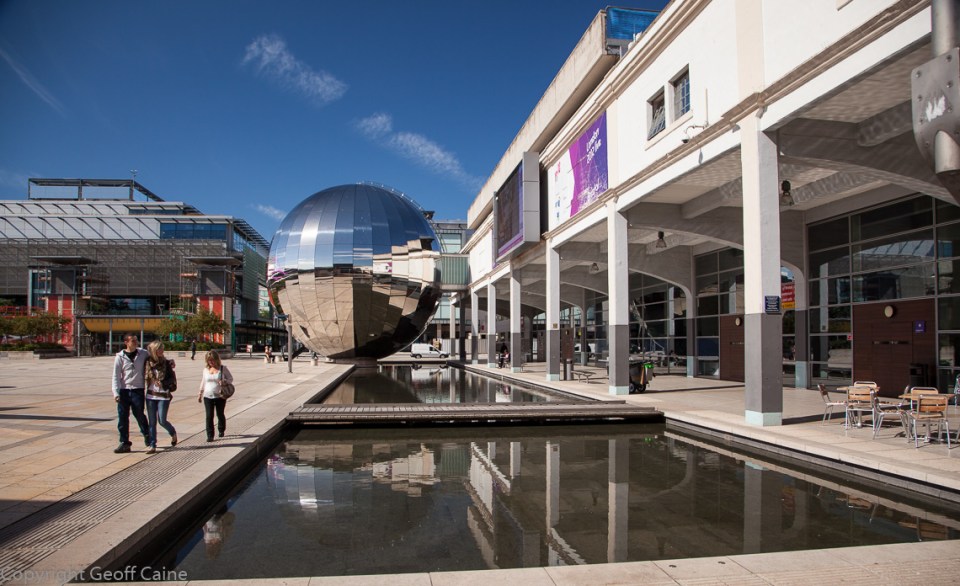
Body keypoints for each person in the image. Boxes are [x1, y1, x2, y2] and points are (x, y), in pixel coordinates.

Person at [111, 333, 150, 453]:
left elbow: (156, 357)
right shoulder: (120, 357)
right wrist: (116, 393)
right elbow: (116, 376)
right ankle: (124, 442)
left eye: (136, 340)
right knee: (123, 417)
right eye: (133, 341)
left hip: (138, 389)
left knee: (139, 414)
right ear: (126, 342)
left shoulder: (143, 353)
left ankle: (148, 436)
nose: (136, 342)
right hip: (124, 390)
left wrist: (169, 362)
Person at [143, 340, 178, 454]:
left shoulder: (167, 363)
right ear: (153, 350)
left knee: (162, 421)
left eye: (162, 348)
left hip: (163, 396)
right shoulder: (147, 362)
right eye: (159, 349)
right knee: (152, 422)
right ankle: (152, 445)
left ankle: (172, 432)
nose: (161, 351)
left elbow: (172, 378)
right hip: (151, 396)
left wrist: (163, 384)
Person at [198, 350, 232, 442]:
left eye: (212, 360)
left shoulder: (222, 368)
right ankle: (210, 435)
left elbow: (230, 378)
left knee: (220, 414)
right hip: (207, 396)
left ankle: (221, 429)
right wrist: (200, 393)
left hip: (220, 396)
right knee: (209, 416)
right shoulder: (205, 370)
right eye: (209, 360)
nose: (211, 362)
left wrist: (225, 381)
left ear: (217, 359)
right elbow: (203, 381)